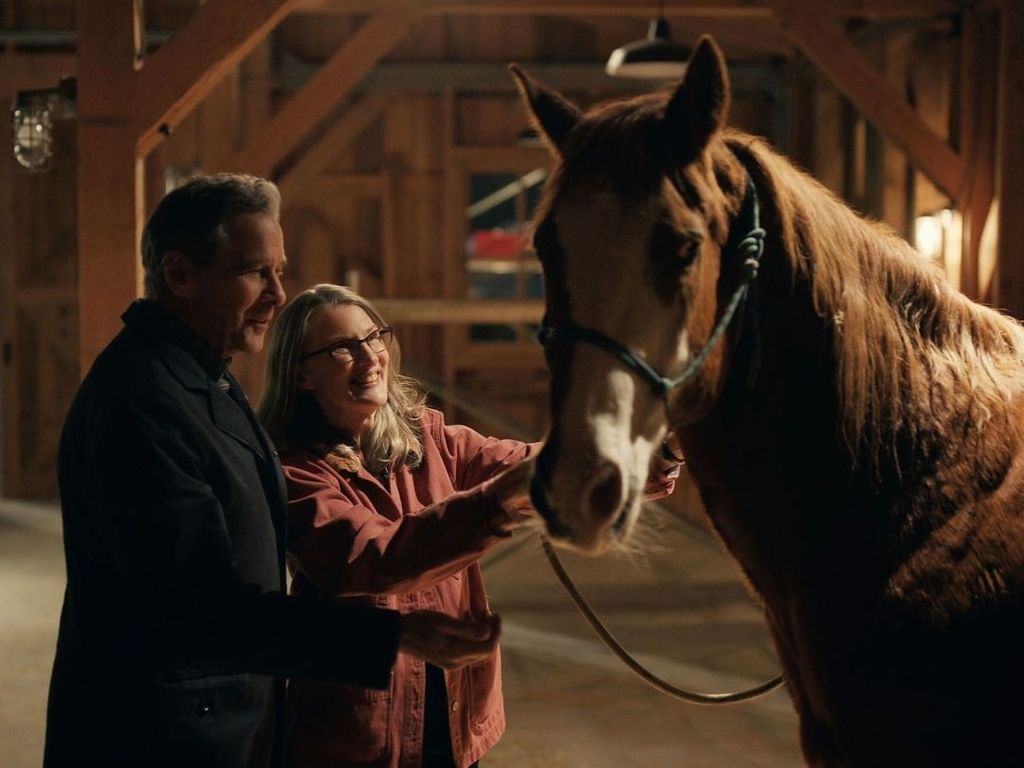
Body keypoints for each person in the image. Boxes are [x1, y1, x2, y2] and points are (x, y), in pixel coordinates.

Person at [44, 175, 500, 768]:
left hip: (217, 724)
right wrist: (393, 636)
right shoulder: (142, 404)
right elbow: (203, 612)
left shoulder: (204, 374)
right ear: (181, 275)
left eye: (279, 271)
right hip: (159, 739)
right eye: (257, 272)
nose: (279, 294)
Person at [258, 283, 683, 768]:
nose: (370, 356)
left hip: (455, 720)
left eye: (374, 337)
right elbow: (375, 557)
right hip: (359, 739)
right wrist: (497, 500)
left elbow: (536, 463)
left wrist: (657, 449)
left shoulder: (430, 438)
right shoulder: (295, 472)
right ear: (301, 373)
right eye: (342, 349)